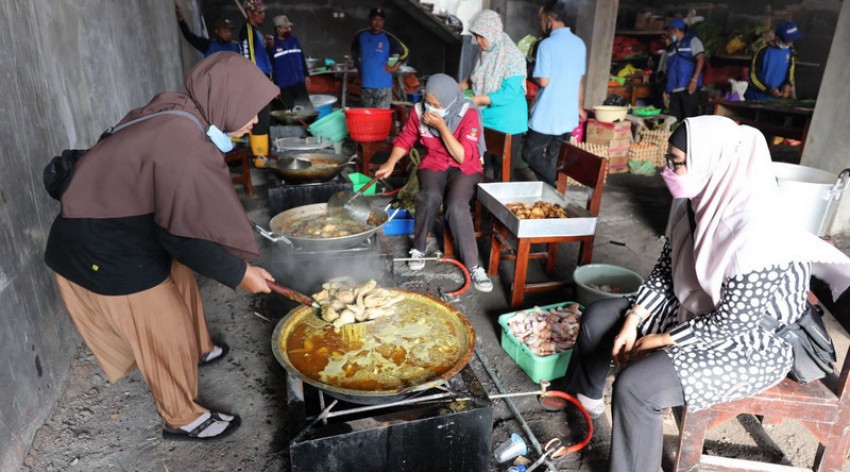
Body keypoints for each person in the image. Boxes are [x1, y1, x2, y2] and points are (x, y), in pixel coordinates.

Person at [559, 115, 850, 471]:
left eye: (677, 163)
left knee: (637, 387)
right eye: (669, 159)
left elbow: (733, 323)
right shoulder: (699, 204)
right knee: (599, 317)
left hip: (753, 343)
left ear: (715, 163)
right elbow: (666, 270)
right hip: (698, 310)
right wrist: (634, 320)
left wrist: (661, 339)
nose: (667, 169)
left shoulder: (760, 235)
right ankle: (584, 400)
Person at [44, 52, 280, 441]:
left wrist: (235, 263)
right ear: (228, 99)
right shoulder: (185, 144)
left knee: (180, 278)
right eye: (252, 111)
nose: (255, 120)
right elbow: (181, 236)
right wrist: (240, 274)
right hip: (98, 246)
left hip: (122, 220)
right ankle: (181, 417)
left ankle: (198, 348)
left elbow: (182, 217)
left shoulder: (182, 109)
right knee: (163, 327)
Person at [373, 74, 493, 292]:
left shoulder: (468, 112)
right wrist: (390, 163)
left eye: (436, 105)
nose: (431, 108)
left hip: (464, 167)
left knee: (456, 207)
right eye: (428, 101)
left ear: (449, 100)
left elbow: (462, 157)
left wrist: (442, 127)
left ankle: (474, 267)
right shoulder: (419, 110)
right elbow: (406, 138)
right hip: (434, 162)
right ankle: (418, 249)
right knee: (429, 196)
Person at [523, 0, 587, 186]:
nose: (540, 24)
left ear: (550, 20)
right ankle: (554, 194)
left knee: (530, 154)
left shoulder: (546, 44)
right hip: (567, 114)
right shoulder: (579, 44)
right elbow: (579, 80)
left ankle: (556, 185)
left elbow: (543, 80)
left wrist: (529, 72)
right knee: (554, 158)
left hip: (547, 113)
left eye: (541, 20)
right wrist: (579, 107)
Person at [461, 9, 528, 182]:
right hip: (486, 119)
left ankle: (497, 208)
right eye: (476, 36)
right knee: (482, 165)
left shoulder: (512, 56)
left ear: (493, 33)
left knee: (502, 172)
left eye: (481, 37)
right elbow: (474, 78)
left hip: (508, 123)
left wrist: (479, 99)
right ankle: (480, 205)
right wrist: (455, 88)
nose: (478, 41)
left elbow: (510, 92)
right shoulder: (486, 51)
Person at [351, 7, 409, 109]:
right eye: (374, 19)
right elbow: (354, 51)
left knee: (381, 118)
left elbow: (405, 53)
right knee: (367, 117)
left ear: (383, 22)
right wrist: (358, 67)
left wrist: (394, 67)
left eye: (380, 20)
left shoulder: (389, 38)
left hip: (383, 85)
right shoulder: (360, 36)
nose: (377, 23)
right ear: (369, 20)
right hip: (366, 84)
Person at [238, 0, 273, 156]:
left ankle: (263, 155)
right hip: (255, 81)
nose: (262, 15)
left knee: (264, 120)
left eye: (263, 12)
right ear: (249, 13)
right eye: (258, 12)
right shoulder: (247, 31)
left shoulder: (256, 31)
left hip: (263, 79)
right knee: (259, 121)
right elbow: (249, 59)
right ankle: (260, 159)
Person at [745, 21, 801, 100]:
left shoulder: (789, 52)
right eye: (787, 41)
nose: (789, 43)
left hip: (775, 99)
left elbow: (790, 71)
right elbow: (753, 76)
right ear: (778, 38)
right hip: (756, 97)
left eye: (791, 40)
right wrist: (768, 89)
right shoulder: (762, 51)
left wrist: (787, 84)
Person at [663, 18, 705, 122]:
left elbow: (701, 59)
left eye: (669, 31)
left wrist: (694, 80)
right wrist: (666, 88)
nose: (667, 34)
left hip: (688, 87)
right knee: (674, 119)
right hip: (674, 89)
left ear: (675, 30)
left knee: (689, 118)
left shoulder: (693, 41)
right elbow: (669, 67)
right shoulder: (672, 47)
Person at [271, 14, 310, 110]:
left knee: (307, 110)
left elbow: (301, 57)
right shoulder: (272, 45)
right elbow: (271, 68)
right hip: (284, 86)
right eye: (285, 28)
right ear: (278, 29)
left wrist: (306, 74)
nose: (289, 29)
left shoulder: (294, 40)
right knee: (289, 114)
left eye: (289, 27)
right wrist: (275, 85)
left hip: (299, 82)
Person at [175, 4, 240, 57]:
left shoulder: (237, 47)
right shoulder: (208, 45)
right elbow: (189, 37)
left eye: (230, 31)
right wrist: (181, 20)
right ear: (216, 31)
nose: (228, 34)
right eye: (225, 31)